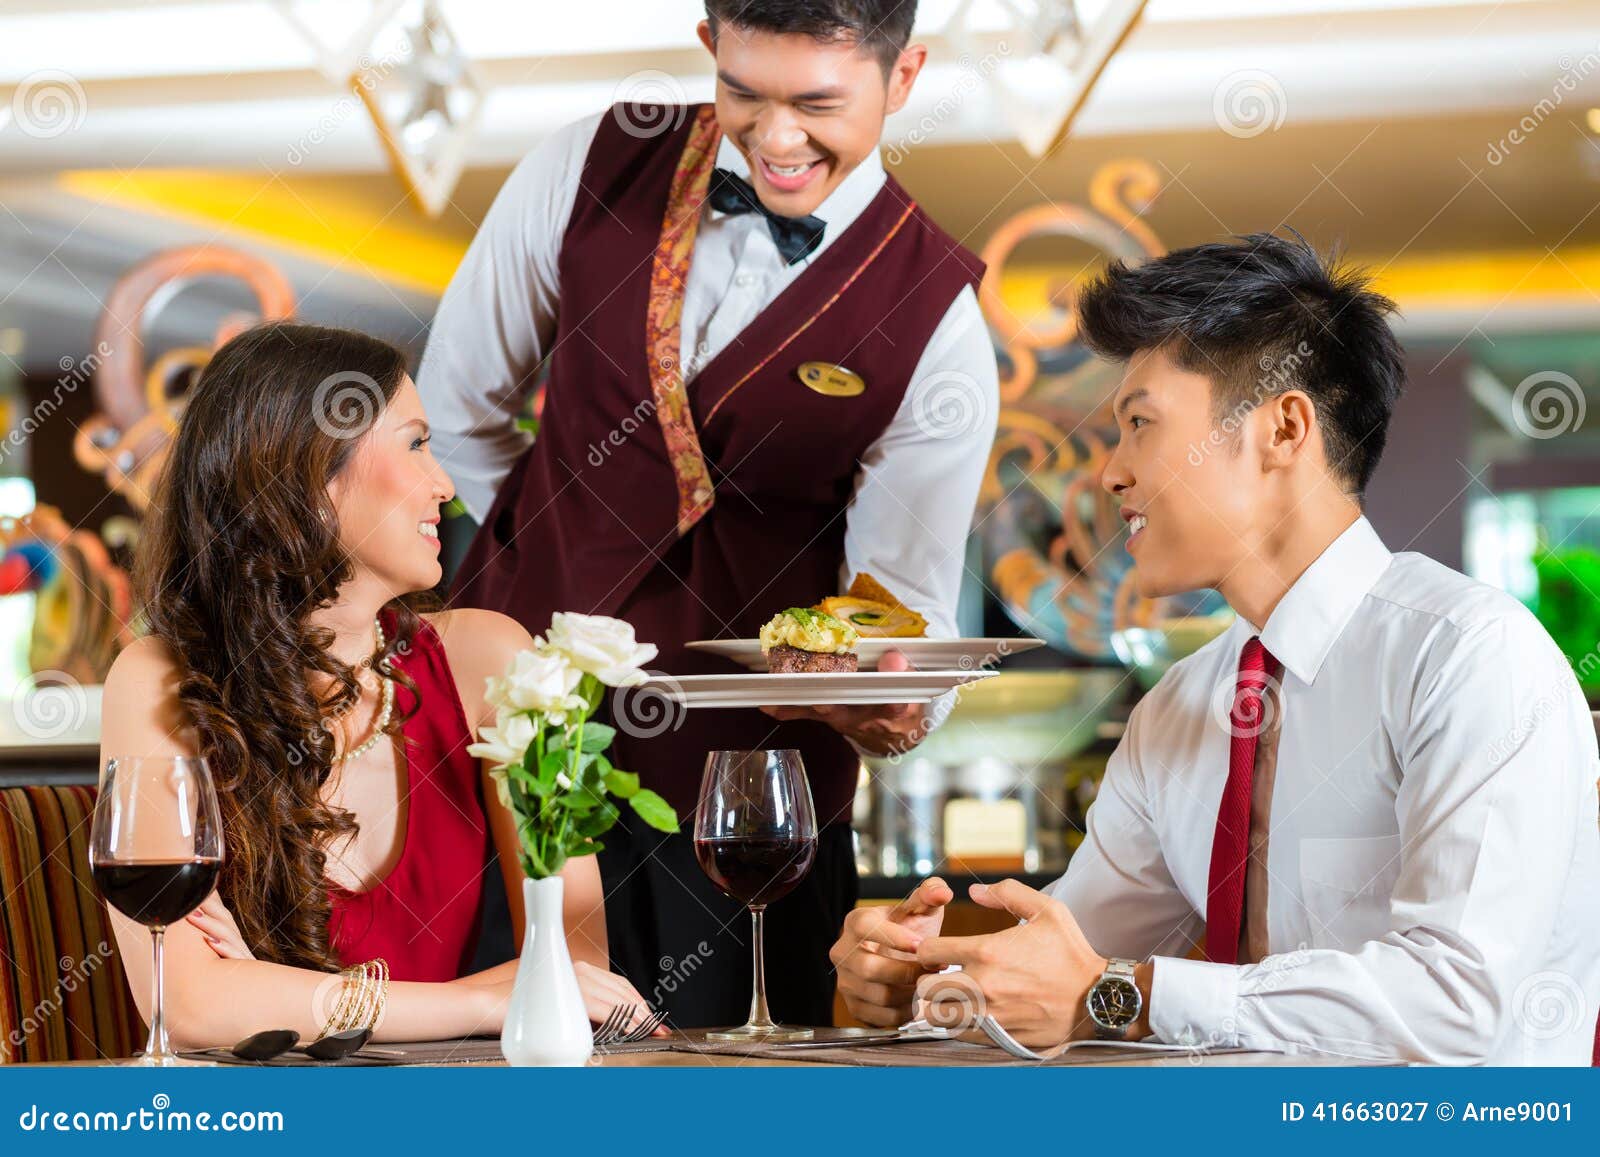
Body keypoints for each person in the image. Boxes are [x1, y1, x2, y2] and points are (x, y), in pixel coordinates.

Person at [830, 233, 1600, 1065]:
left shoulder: (1466, 658)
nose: (1110, 473)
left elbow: (1459, 1006)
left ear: (1284, 428)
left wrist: (1122, 995)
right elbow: (1063, 962)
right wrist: (918, 977)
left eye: (1139, 424)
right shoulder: (1177, 708)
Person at [417, 0, 998, 1027]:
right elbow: (459, 406)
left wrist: (891, 707)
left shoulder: (938, 322)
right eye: (745, 93)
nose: (778, 139)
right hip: (519, 773)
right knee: (487, 1076)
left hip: (748, 813)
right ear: (708, 51)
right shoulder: (587, 162)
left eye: (819, 103)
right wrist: (545, 547)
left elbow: (898, 607)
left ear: (902, 76)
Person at [100, 323, 662, 1049]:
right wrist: (477, 1000)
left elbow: (576, 980)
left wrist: (286, 997)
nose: (447, 486)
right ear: (306, 474)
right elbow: (194, 1005)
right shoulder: (158, 678)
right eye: (417, 443)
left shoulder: (492, 659)